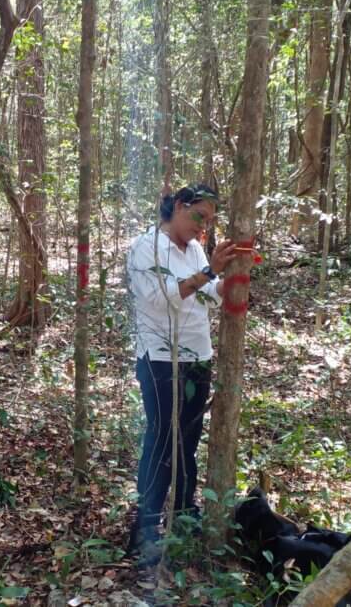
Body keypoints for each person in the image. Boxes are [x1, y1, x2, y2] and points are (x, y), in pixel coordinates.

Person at [125, 184, 239, 563]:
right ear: (177, 206)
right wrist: (210, 272)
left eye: (208, 220)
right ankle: (145, 528)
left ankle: (184, 515)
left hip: (198, 358)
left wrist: (232, 278)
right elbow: (161, 298)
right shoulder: (146, 247)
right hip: (161, 360)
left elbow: (204, 295)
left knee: (188, 441)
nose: (202, 226)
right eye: (198, 216)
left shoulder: (193, 248)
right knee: (160, 443)